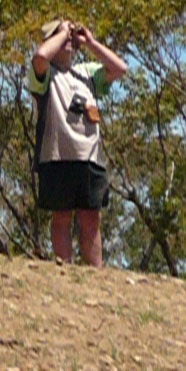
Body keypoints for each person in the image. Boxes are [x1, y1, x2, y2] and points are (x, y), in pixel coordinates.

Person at [28, 19, 127, 266]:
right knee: (61, 216)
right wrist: (62, 33)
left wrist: (90, 42)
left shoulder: (87, 73)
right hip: (57, 156)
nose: (68, 40)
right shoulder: (45, 73)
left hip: (90, 157)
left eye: (70, 37)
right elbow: (40, 57)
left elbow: (120, 69)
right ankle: (64, 269)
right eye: (61, 36)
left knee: (91, 219)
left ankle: (95, 273)